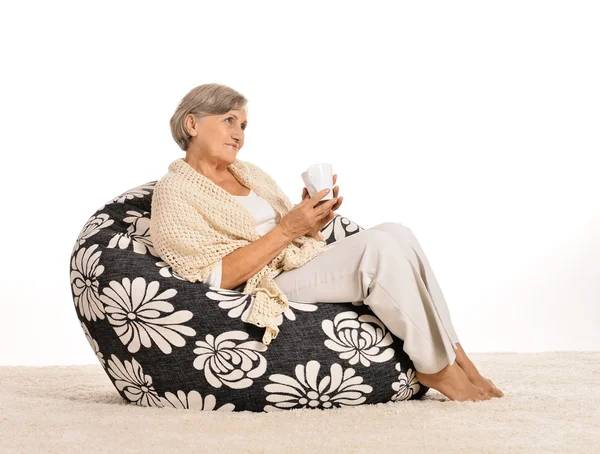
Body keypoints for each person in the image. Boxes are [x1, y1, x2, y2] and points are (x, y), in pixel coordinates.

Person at [152, 83, 504, 402]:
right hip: (261, 283)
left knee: (397, 233)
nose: (239, 134)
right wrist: (289, 229)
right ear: (192, 125)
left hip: (294, 260)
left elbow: (292, 234)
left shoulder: (248, 172)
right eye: (229, 121)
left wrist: (311, 219)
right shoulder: (175, 191)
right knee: (376, 250)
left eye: (243, 125)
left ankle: (461, 358)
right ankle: (436, 369)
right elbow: (216, 277)